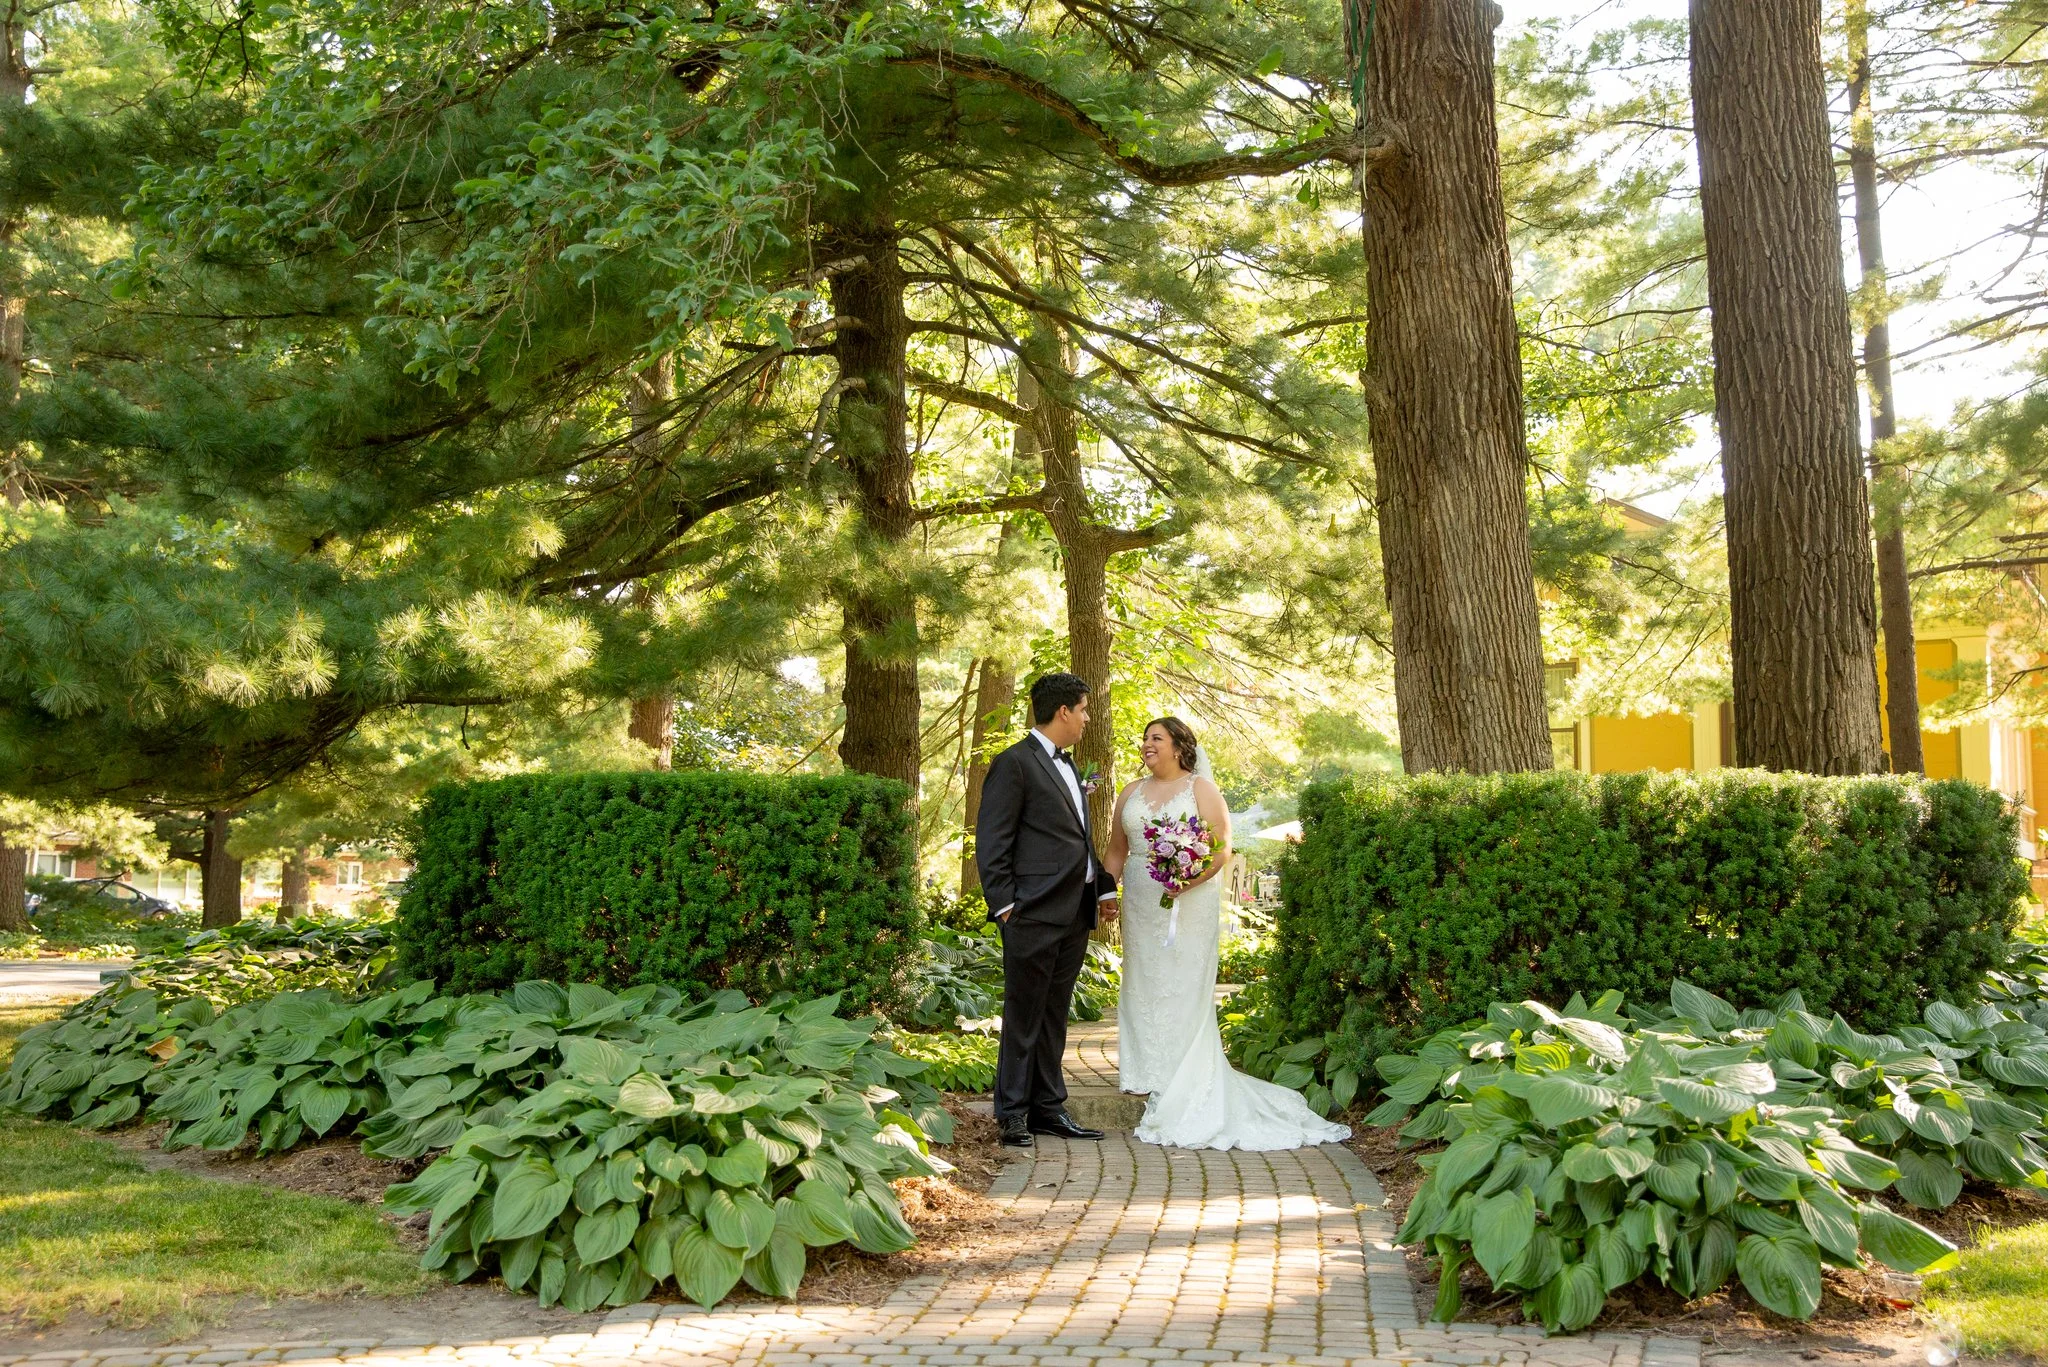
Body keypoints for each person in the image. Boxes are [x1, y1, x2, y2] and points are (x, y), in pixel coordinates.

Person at [1105, 716, 1350, 1151]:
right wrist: (1106, 892)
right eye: (1143, 738)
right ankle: (1142, 1073)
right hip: (1142, 902)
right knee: (1142, 981)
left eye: (1155, 738)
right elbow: (1116, 851)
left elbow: (1221, 845)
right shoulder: (1130, 792)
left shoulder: (1201, 789)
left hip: (1189, 900)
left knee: (1183, 983)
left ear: (1179, 746)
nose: (1146, 744)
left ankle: (1182, 1074)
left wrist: (1188, 878)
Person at [973, 672, 1120, 1149]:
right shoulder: (1014, 763)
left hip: (1074, 912)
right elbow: (993, 841)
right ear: (1062, 712)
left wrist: (1099, 888)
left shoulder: (1072, 768)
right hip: (1031, 913)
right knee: (1024, 1014)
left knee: (1055, 1014)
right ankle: (1012, 1113)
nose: (1086, 718)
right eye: (1083, 709)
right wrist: (1006, 906)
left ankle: (1048, 1108)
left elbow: (1079, 837)